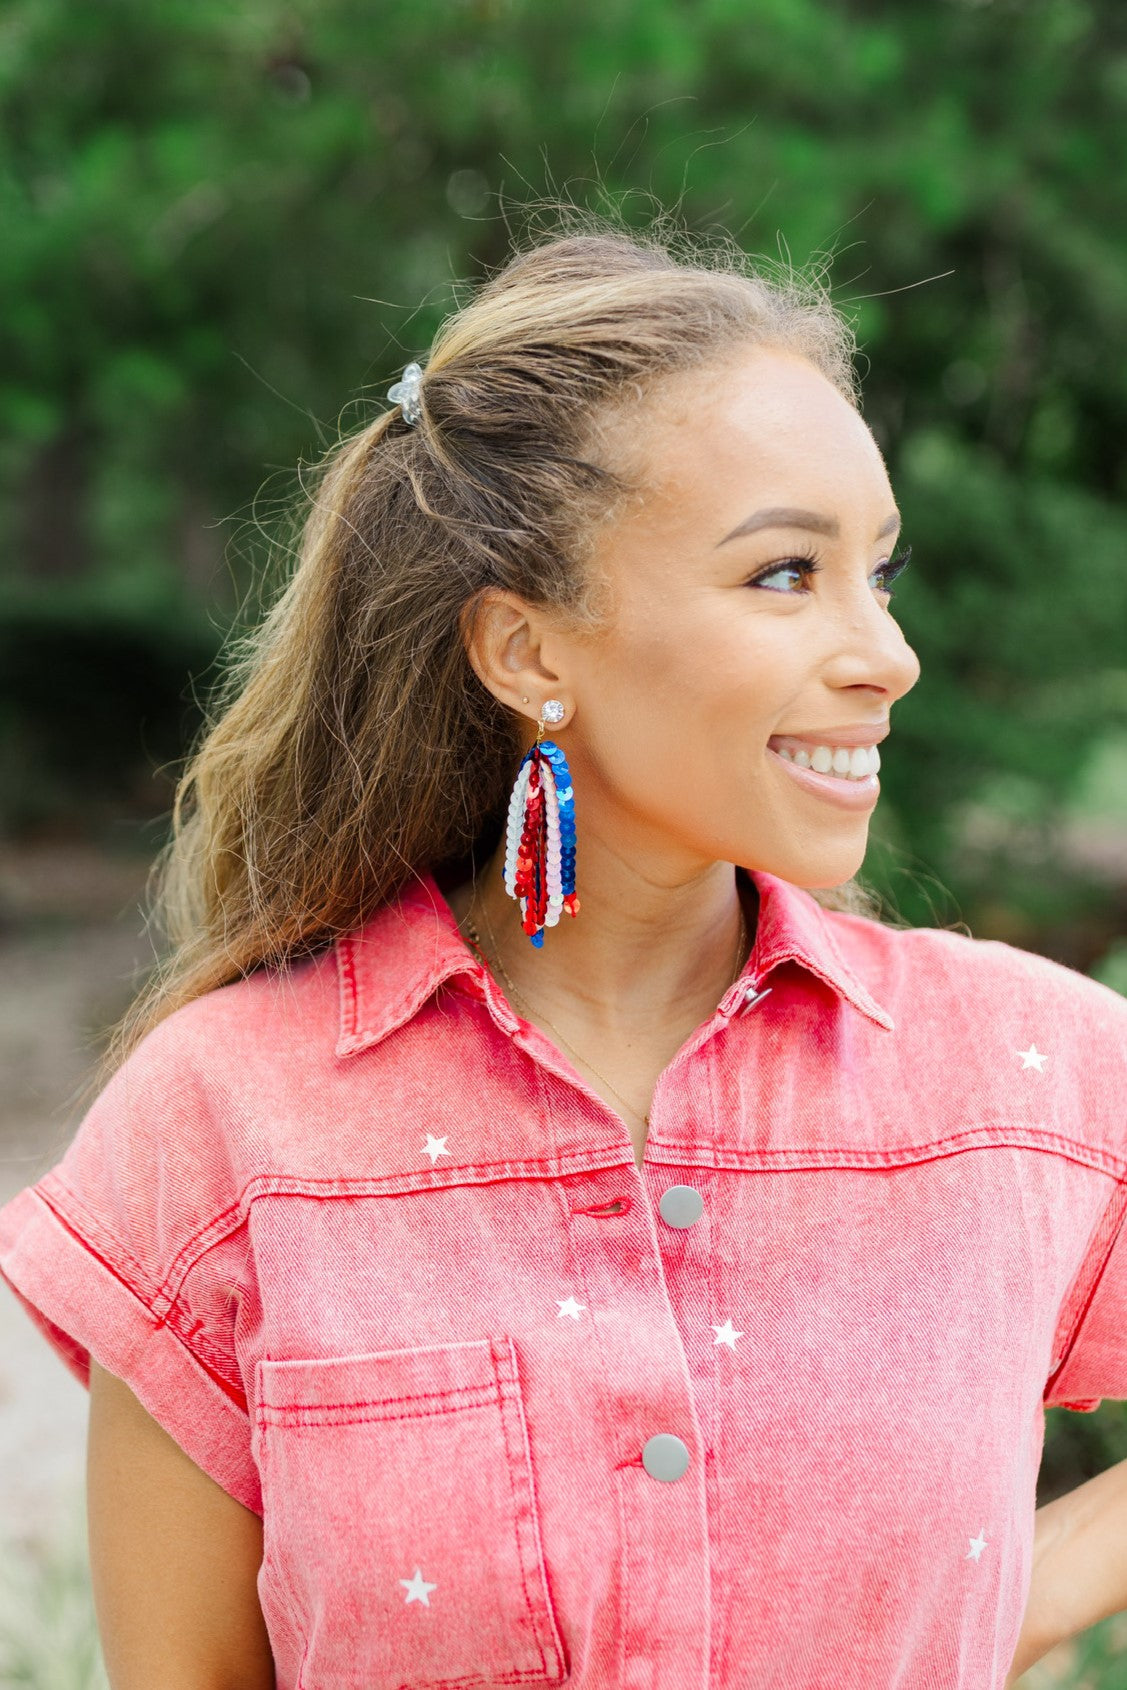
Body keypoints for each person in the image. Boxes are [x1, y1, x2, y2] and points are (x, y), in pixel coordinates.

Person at [1, 217, 1126, 1690]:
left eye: (881, 572)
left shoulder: (1033, 1076)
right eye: (786, 573)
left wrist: (983, 1618)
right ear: (529, 652)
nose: (885, 653)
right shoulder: (226, 1122)